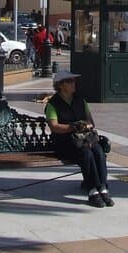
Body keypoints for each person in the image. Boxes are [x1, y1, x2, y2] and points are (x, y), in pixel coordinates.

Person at [45, 69, 113, 207]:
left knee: (99, 152)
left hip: (84, 139)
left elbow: (91, 122)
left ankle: (103, 188)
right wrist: (73, 127)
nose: (73, 84)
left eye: (74, 81)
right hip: (66, 142)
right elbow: (54, 126)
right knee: (86, 154)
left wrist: (85, 126)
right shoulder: (53, 104)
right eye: (69, 81)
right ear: (60, 85)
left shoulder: (80, 100)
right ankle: (93, 190)